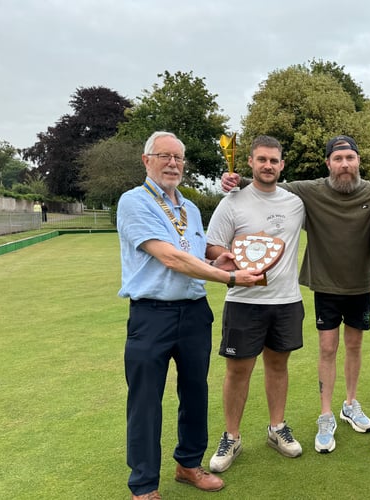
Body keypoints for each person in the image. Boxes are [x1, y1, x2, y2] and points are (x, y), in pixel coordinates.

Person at [221, 135, 370, 453]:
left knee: (355, 345)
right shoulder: (309, 190)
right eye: (338, 159)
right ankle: (325, 414)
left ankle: (350, 403)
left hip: (362, 285)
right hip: (325, 285)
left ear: (358, 161)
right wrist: (238, 179)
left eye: (350, 158)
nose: (345, 164)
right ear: (328, 163)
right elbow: (269, 185)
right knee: (327, 348)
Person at [117, 131, 264, 500]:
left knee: (196, 392)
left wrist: (217, 260)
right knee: (146, 399)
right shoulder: (134, 202)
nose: (172, 163)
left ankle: (188, 464)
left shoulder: (190, 208)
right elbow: (169, 257)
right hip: (152, 314)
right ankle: (144, 485)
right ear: (145, 160)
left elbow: (193, 257)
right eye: (164, 156)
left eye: (178, 158)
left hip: (195, 313)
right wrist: (229, 276)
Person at [205, 135, 305, 473]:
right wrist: (229, 259)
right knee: (237, 371)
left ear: (282, 164)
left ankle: (277, 429)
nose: (268, 166)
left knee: (278, 366)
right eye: (261, 159)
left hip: (286, 300)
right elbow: (212, 246)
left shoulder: (295, 203)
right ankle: (231, 436)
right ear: (250, 162)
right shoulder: (232, 202)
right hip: (244, 301)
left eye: (274, 160)